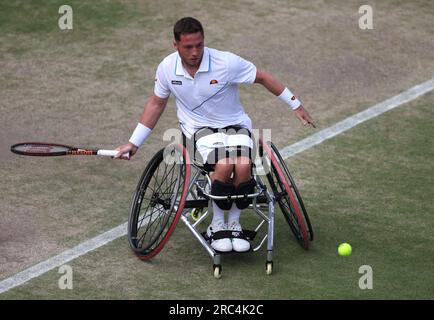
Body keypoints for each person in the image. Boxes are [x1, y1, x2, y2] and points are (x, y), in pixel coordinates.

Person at [115, 17, 315, 253]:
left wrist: (296, 105)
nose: (195, 52)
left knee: (242, 165)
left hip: (236, 126)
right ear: (175, 45)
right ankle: (217, 225)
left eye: (199, 45)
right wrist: (134, 142)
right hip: (198, 130)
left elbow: (262, 77)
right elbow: (156, 104)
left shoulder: (226, 62)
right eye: (188, 47)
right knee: (224, 164)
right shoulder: (167, 69)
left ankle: (234, 224)